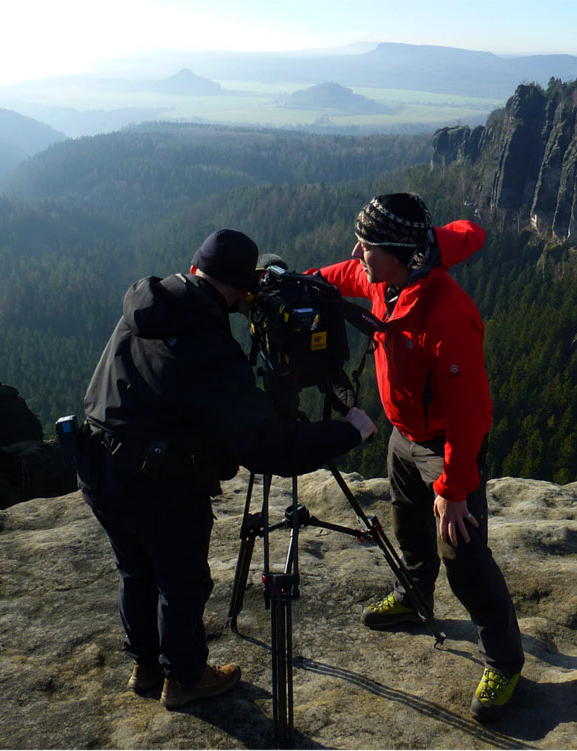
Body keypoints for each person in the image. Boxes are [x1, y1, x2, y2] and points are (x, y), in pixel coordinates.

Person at [80, 228, 377, 709]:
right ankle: (185, 679)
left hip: (98, 468)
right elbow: (268, 445)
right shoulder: (208, 344)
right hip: (158, 483)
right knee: (181, 582)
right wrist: (350, 431)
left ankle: (145, 667)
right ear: (243, 288)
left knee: (135, 570)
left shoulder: (157, 301)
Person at [316, 194, 524, 722]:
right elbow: (347, 272)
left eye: (368, 244)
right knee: (407, 524)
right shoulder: (389, 274)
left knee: (463, 553)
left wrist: (454, 492)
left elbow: (471, 415)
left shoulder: (446, 313)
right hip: (402, 436)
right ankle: (414, 596)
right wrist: (299, 280)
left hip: (443, 446)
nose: (357, 251)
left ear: (402, 254)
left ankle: (504, 660)